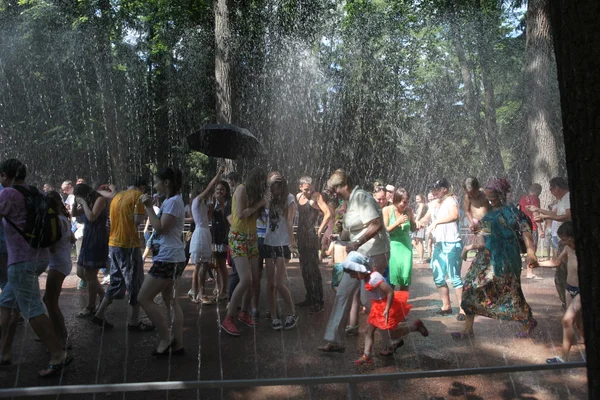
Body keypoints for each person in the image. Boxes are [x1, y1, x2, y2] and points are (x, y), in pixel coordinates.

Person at [0, 159, 71, 377]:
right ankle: (4, 352)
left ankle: (59, 354)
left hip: (21, 261)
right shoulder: (35, 192)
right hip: (39, 257)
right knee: (7, 304)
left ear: (5, 175)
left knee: (32, 309)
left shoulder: (8, 194)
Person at [318, 169, 393, 355]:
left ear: (345, 185)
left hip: (373, 255)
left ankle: (390, 341)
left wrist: (356, 242)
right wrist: (334, 236)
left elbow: (376, 224)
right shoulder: (350, 201)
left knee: (369, 299)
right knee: (343, 293)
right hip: (360, 257)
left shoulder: (361, 197)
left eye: (335, 188)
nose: (333, 192)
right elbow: (353, 230)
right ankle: (335, 340)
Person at [455, 178, 538, 339]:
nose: (490, 199)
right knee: (469, 287)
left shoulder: (512, 211)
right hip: (486, 257)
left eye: (493, 196)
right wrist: (474, 237)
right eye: (488, 196)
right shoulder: (488, 216)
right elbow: (483, 239)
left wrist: (530, 252)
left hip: (506, 257)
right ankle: (468, 328)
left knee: (510, 289)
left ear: (502, 194)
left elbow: (525, 230)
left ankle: (527, 320)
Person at [342, 252, 428, 365]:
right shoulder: (365, 277)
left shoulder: (374, 278)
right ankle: (366, 356)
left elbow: (390, 292)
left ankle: (415, 327)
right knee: (368, 331)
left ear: (360, 269)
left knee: (392, 335)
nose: (352, 277)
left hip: (385, 306)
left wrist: (387, 309)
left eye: (352, 274)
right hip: (377, 307)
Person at [93, 177, 153, 331]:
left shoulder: (117, 197)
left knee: (117, 282)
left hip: (114, 244)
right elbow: (138, 220)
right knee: (135, 283)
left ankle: (99, 314)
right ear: (142, 187)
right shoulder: (138, 196)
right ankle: (133, 321)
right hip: (129, 245)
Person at [138, 167, 186, 356]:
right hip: (171, 257)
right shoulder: (171, 201)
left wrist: (149, 207)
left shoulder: (173, 202)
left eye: (157, 181)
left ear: (166, 182)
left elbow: (161, 228)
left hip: (168, 258)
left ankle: (166, 338)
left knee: (144, 297)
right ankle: (178, 344)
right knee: (170, 300)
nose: (155, 185)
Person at [221, 167, 267, 336]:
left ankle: (244, 312)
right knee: (245, 279)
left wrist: (265, 203)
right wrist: (260, 204)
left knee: (255, 279)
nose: (264, 186)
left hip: (252, 237)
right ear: (256, 180)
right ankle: (229, 318)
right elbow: (240, 215)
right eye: (262, 182)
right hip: (238, 236)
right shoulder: (241, 189)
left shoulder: (256, 195)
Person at [417, 178, 465, 320]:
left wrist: (436, 222)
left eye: (436, 189)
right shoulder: (432, 204)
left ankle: (463, 309)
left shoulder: (451, 200)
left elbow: (454, 216)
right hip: (439, 244)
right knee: (438, 275)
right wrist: (419, 222)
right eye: (432, 189)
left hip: (452, 243)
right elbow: (426, 218)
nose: (433, 191)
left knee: (454, 277)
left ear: (445, 189)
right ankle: (446, 306)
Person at [529, 177, 571, 309]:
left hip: (567, 239)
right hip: (562, 239)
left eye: (551, 189)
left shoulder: (569, 197)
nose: (550, 191)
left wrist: (545, 217)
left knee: (562, 272)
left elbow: (567, 216)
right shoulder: (562, 200)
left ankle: (568, 303)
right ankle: (567, 302)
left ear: (557, 188)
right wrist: (539, 210)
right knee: (561, 271)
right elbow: (555, 213)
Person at [544, 222, 583, 363]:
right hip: (569, 288)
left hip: (580, 291)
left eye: (566, 239)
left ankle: (563, 357)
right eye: (562, 239)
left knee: (567, 320)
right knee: (577, 323)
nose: (563, 242)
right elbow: (556, 262)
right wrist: (538, 264)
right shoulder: (567, 248)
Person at [264, 172, 298, 330]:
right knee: (270, 283)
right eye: (272, 186)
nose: (274, 189)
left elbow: (290, 222)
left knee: (279, 283)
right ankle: (273, 316)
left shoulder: (289, 198)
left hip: (283, 244)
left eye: (277, 186)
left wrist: (291, 243)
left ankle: (292, 313)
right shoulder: (269, 198)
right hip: (269, 242)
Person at [71, 183, 108, 321]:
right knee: (81, 272)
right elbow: (74, 214)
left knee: (91, 274)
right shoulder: (88, 201)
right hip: (88, 237)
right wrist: (76, 204)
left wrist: (84, 204)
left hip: (97, 239)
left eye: (78, 196)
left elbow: (92, 217)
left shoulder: (99, 200)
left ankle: (90, 306)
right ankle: (104, 296)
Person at [295, 176, 332, 314]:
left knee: (313, 268)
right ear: (300, 187)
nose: (308, 191)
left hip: (311, 235)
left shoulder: (316, 196)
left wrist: (320, 229)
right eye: (306, 189)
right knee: (304, 267)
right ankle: (309, 296)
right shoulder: (298, 196)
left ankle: (319, 300)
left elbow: (327, 213)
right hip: (301, 235)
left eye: (310, 188)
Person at [188, 168, 224, 304]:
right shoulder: (197, 200)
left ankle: (194, 292)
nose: (207, 193)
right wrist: (218, 174)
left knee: (199, 266)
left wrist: (210, 210)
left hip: (203, 232)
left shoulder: (200, 204)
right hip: (201, 234)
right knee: (202, 264)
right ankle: (201, 294)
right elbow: (210, 188)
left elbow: (207, 218)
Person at [45, 191, 75, 349]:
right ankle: (54, 332)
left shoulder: (55, 220)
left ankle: (63, 338)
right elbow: (73, 238)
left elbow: (52, 247)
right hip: (63, 262)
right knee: (49, 300)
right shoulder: (64, 219)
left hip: (58, 264)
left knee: (51, 301)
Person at [382, 188, 416, 291]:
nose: (403, 204)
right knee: (392, 278)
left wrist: (415, 223)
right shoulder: (387, 210)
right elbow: (385, 231)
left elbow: (413, 229)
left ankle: (402, 305)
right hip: (392, 247)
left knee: (405, 279)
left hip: (406, 248)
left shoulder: (409, 211)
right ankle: (390, 305)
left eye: (406, 202)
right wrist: (398, 222)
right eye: (401, 201)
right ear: (395, 199)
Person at [210, 181, 232, 303]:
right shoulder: (214, 203)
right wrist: (213, 203)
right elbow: (210, 216)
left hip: (223, 235)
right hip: (214, 235)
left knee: (222, 265)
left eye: (222, 190)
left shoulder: (228, 203)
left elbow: (227, 218)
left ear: (226, 191)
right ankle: (218, 287)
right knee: (216, 264)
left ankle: (224, 290)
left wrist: (222, 204)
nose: (219, 192)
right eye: (217, 190)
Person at [519, 183, 544, 278]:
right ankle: (530, 272)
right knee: (532, 249)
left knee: (523, 248)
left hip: (523, 226)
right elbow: (535, 213)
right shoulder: (535, 199)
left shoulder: (523, 198)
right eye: (540, 191)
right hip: (532, 226)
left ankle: (521, 269)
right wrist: (541, 229)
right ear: (537, 190)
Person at [411, 194, 427, 264]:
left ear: (421, 198)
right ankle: (421, 257)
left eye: (418, 198)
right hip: (417, 224)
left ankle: (421, 258)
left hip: (419, 224)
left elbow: (420, 214)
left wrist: (415, 221)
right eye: (416, 198)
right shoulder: (419, 205)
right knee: (414, 242)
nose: (416, 199)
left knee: (419, 242)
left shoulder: (422, 205)